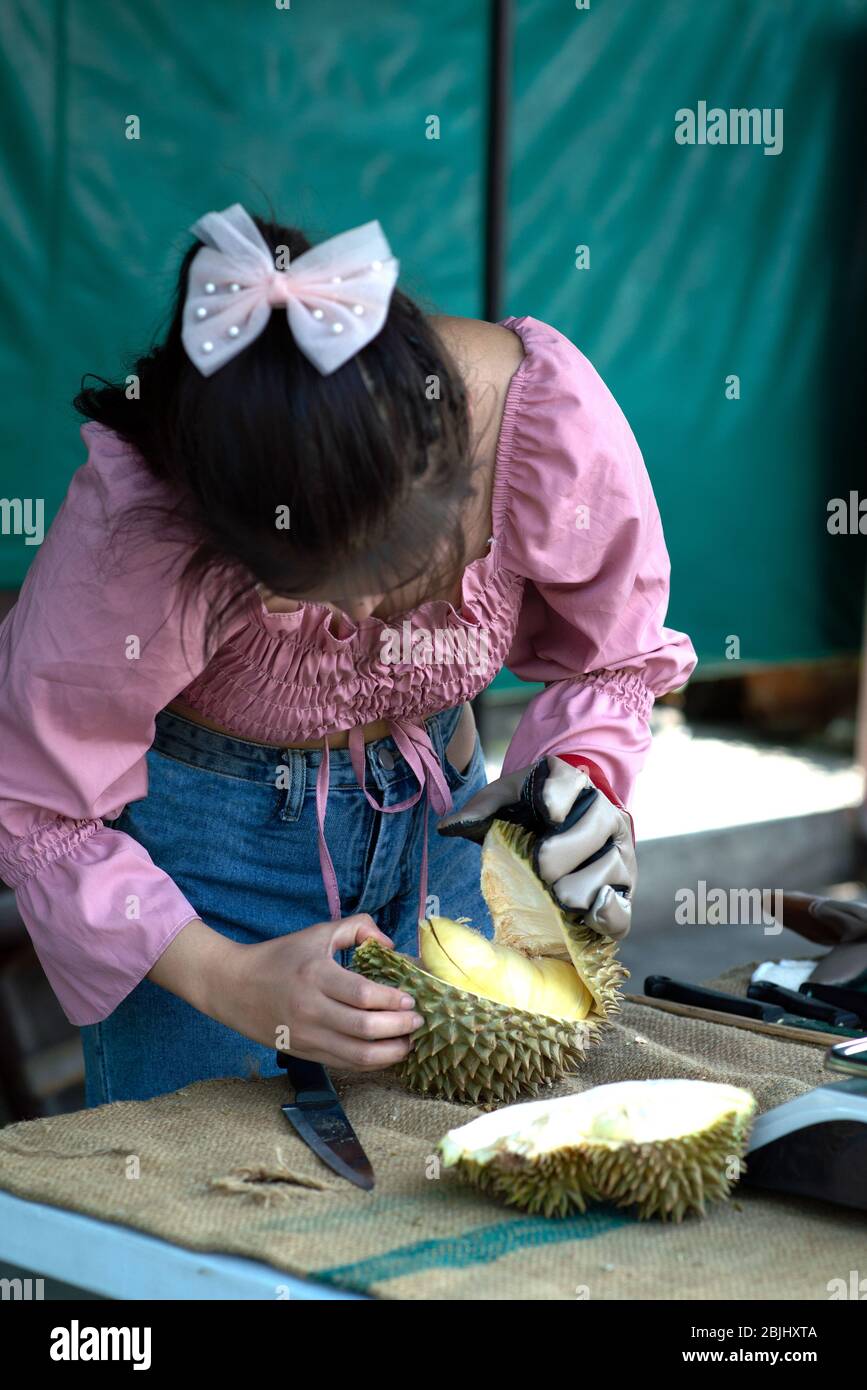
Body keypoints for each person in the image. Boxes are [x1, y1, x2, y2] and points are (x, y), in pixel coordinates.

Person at [0, 204, 697, 1104]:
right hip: (204, 889)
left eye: (397, 577)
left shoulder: (536, 417)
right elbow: (33, 806)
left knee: (449, 1178)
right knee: (197, 1205)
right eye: (304, 593)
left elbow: (612, 657)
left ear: (455, 474)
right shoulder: (137, 527)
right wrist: (226, 980)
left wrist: (574, 788)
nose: (363, 624)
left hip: (448, 838)